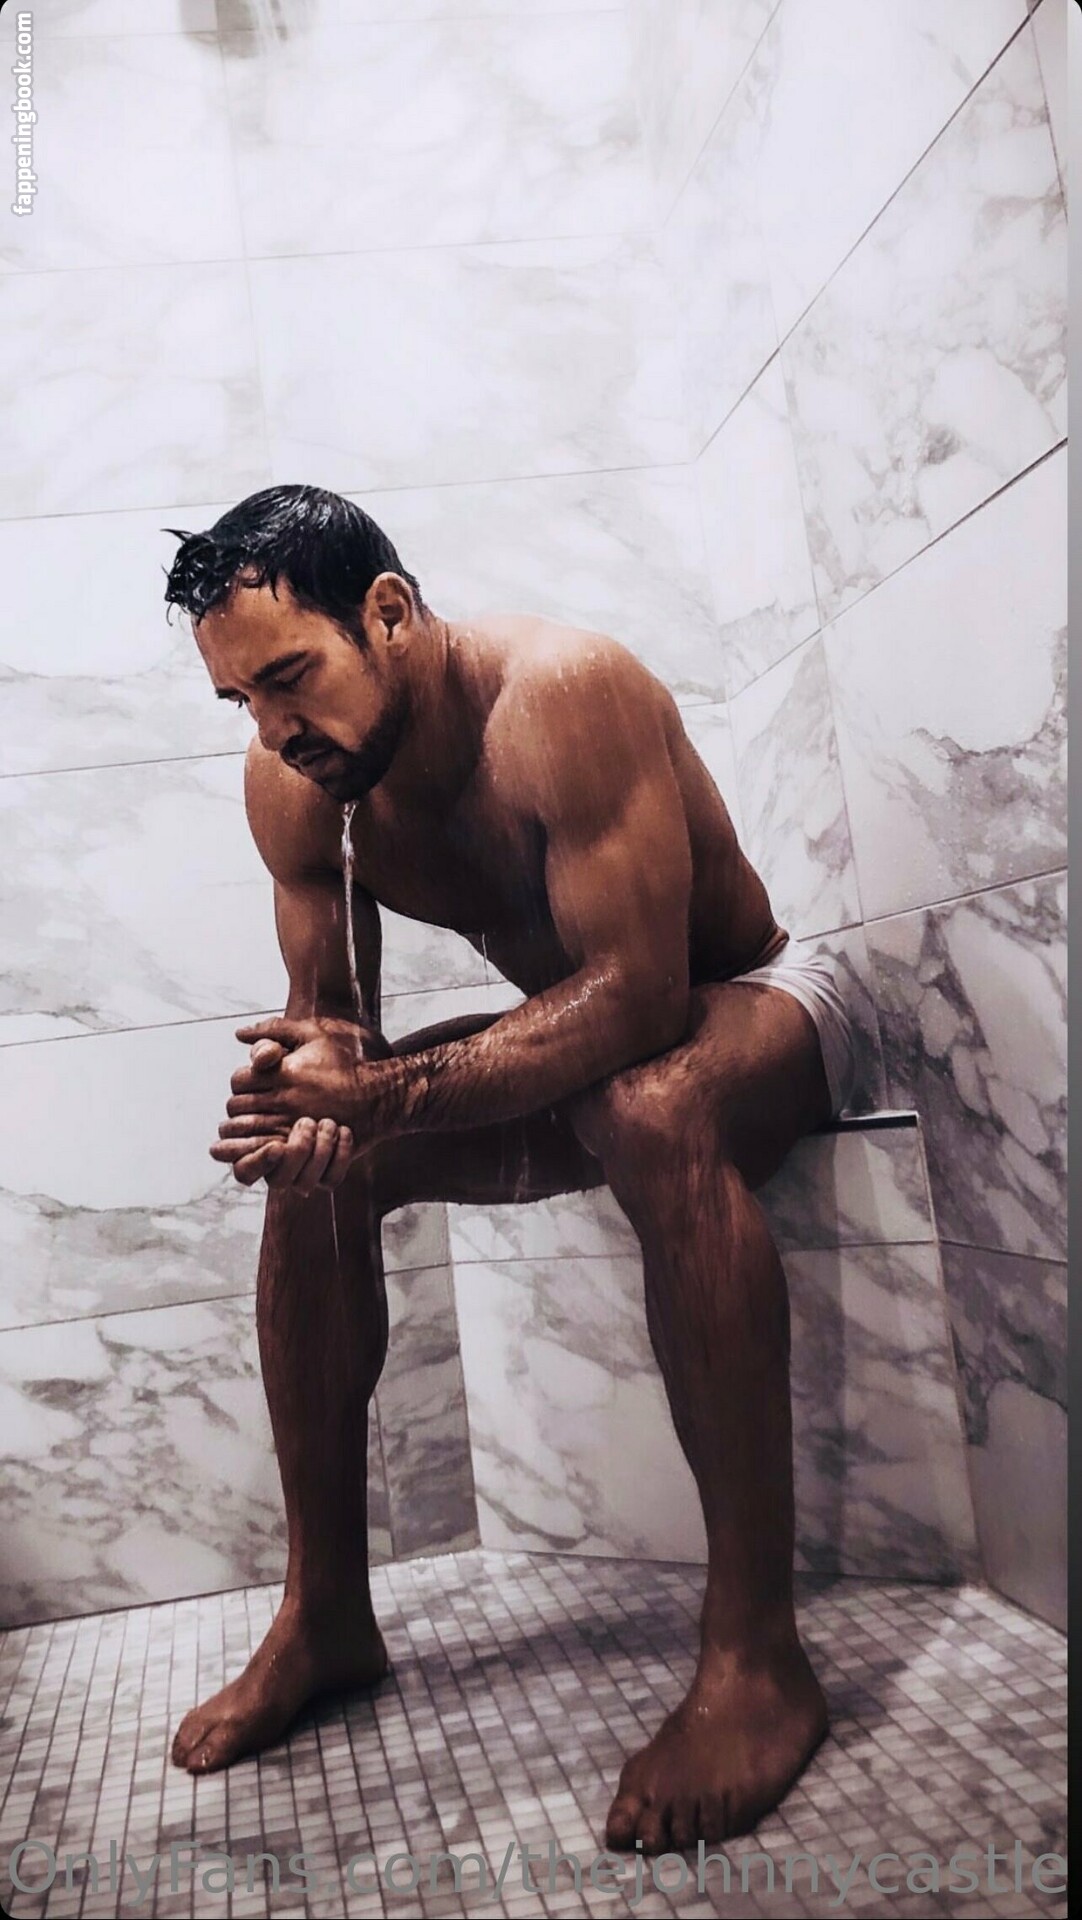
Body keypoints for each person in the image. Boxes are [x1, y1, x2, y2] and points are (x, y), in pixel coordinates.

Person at [162, 485, 857, 1853]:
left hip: (747, 1002)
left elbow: (643, 996)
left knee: (652, 1107)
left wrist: (377, 1092)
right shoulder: (295, 780)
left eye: (289, 678)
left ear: (389, 614)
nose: (273, 728)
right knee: (314, 1169)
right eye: (241, 700)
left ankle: (757, 1663)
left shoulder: (562, 695)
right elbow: (334, 1021)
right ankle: (325, 1614)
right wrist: (308, 1089)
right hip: (584, 1041)